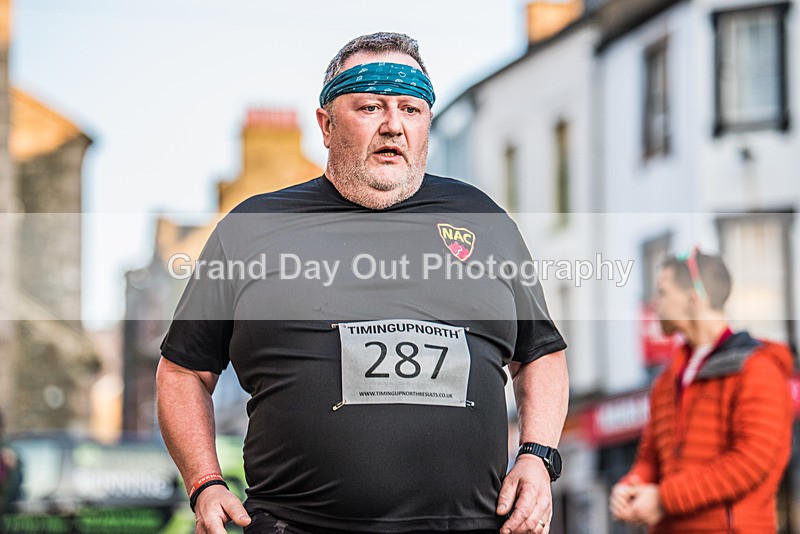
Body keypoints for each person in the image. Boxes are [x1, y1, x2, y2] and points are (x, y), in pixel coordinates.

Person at [157, 32, 569, 534]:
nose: (394, 125)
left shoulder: (483, 221)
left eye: (412, 109)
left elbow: (541, 354)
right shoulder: (253, 227)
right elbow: (183, 373)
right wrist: (205, 482)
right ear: (326, 125)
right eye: (371, 106)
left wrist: (537, 455)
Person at [609, 249, 794, 533]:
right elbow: (651, 457)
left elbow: (750, 462)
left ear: (692, 301)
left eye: (662, 292)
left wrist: (664, 499)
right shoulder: (667, 380)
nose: (653, 303)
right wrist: (634, 483)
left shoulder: (757, 370)